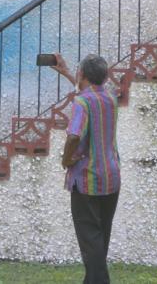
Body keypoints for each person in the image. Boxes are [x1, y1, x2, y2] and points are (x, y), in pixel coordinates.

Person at [46, 53, 121, 284]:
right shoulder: (110, 97)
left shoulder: (81, 102)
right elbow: (88, 93)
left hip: (87, 179)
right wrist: (68, 72)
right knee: (99, 240)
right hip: (111, 178)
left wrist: (66, 160)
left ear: (83, 74)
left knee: (91, 242)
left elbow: (74, 135)